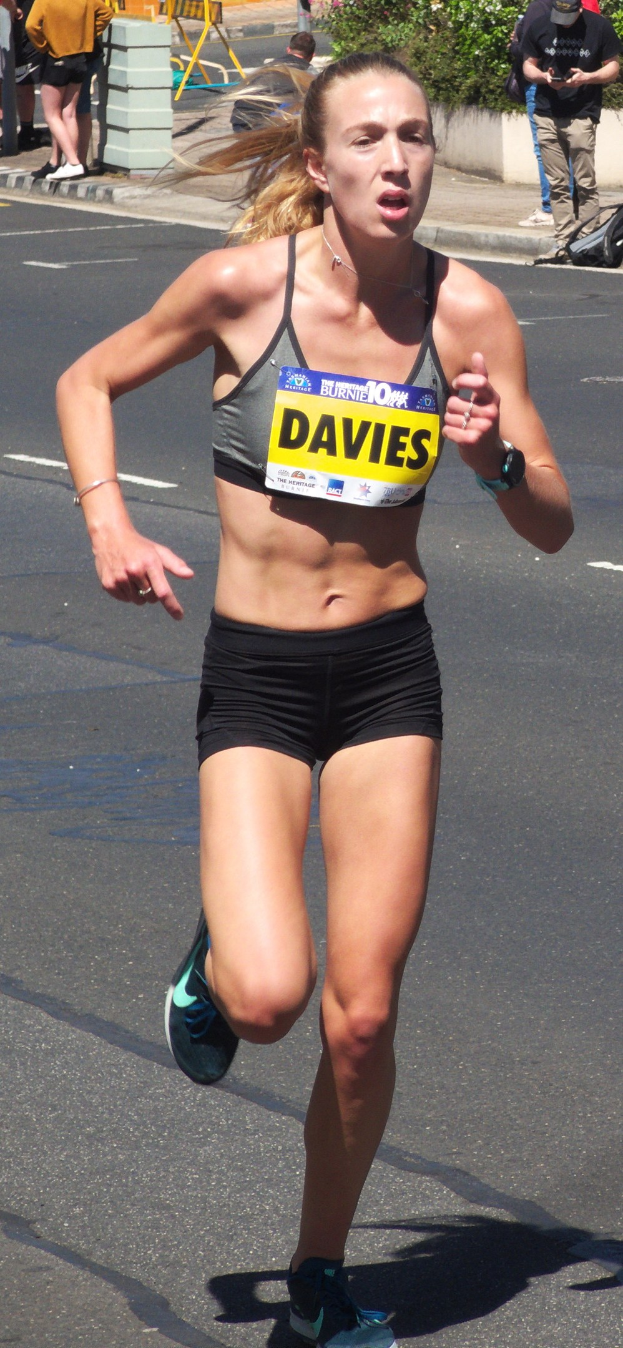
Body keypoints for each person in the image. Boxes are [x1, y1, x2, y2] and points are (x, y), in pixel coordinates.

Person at [57, 52, 574, 1346]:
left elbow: (550, 524)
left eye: (412, 137)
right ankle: (217, 958)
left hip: (389, 676)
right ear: (318, 168)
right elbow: (86, 383)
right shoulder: (243, 289)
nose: (397, 160)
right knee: (269, 997)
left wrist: (490, 457)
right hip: (260, 676)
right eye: (368, 139)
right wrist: (109, 519)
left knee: (358, 1018)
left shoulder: (468, 317)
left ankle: (321, 1272)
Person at [523, 0, 620, 263]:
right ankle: (564, 243)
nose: (562, 23)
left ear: (579, 9)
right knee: (557, 183)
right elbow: (528, 64)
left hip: (582, 113)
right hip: (547, 113)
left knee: (585, 182)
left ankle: (588, 241)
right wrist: (543, 77)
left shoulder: (600, 27)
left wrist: (587, 77)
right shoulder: (540, 25)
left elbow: (613, 67)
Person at [25, 0, 112, 180]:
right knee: (69, 113)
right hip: (80, 58)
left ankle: (72, 162)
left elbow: (31, 25)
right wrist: (87, 35)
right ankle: (72, 163)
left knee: (52, 115)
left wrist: (43, 45)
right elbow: (106, 13)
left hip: (56, 58)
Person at [231, 30, 316, 133]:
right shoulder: (308, 73)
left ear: (288, 50)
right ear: (312, 56)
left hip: (238, 118)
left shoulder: (270, 66)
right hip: (262, 124)